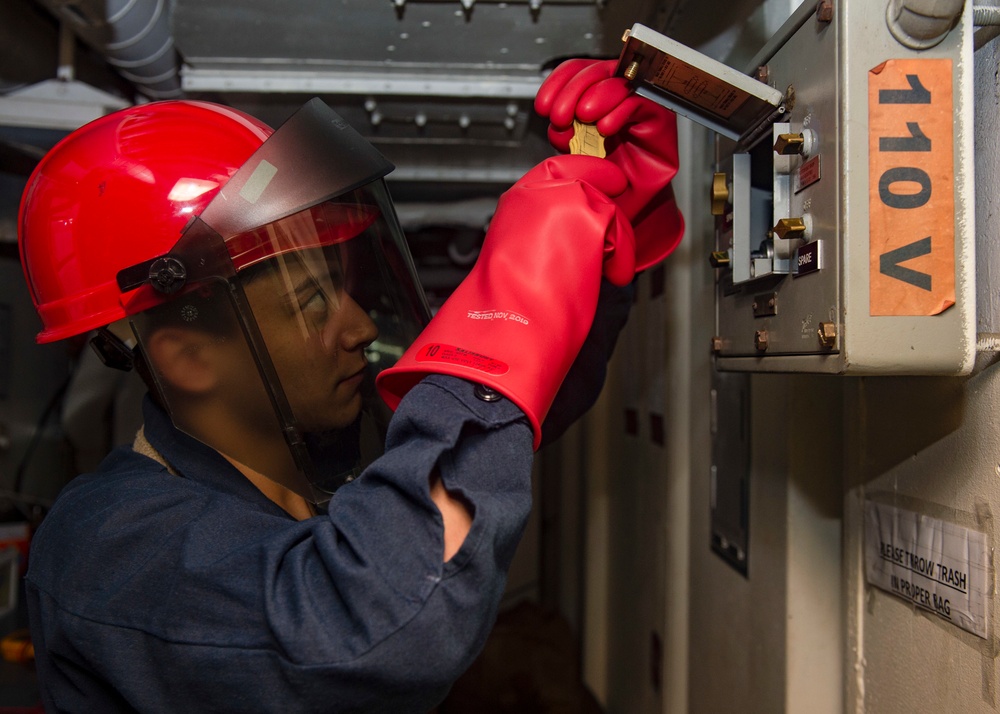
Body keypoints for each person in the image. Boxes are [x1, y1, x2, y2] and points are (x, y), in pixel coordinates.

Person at [16, 58, 681, 713]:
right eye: (311, 303)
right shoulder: (105, 547)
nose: (361, 326)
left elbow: (486, 439)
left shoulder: (312, 453)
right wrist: (503, 314)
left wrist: (616, 208)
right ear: (188, 356)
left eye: (343, 288)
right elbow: (372, 626)